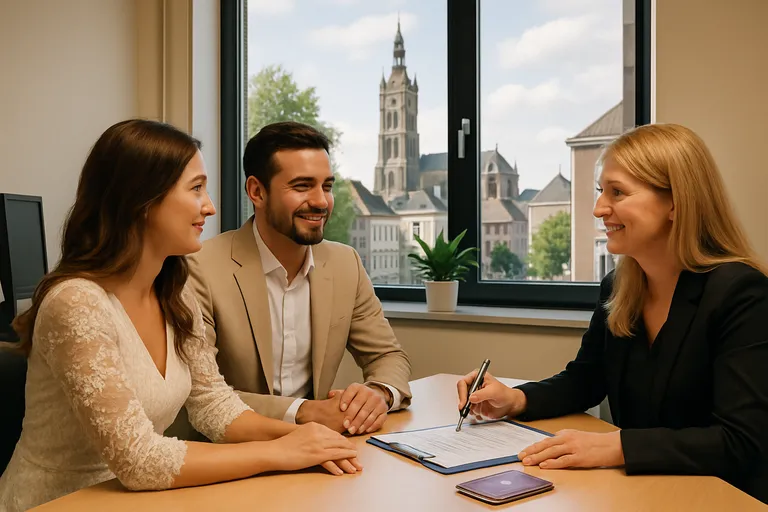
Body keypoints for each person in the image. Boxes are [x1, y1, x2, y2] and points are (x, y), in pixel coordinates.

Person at [0, 120, 361, 512]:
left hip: (143, 498)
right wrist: (280, 452)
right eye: (196, 189)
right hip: (61, 502)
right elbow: (138, 459)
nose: (210, 206)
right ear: (141, 200)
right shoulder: (76, 303)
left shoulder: (177, 289)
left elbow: (213, 405)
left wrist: (309, 436)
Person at [457, 123, 768, 504]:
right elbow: (586, 379)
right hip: (640, 492)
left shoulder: (742, 293)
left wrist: (615, 447)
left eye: (617, 192)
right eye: (601, 191)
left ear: (676, 202)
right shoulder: (619, 285)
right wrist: (515, 400)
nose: (599, 208)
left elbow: (742, 440)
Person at [183, 121, 412, 437]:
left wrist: (378, 393)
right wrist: (304, 412)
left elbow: (386, 355)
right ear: (257, 191)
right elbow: (198, 394)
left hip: (319, 455)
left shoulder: (346, 263)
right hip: (229, 455)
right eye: (303, 186)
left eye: (327, 186)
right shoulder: (199, 267)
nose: (321, 201)